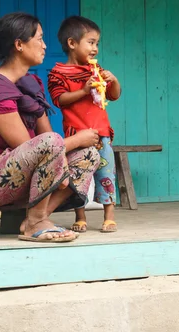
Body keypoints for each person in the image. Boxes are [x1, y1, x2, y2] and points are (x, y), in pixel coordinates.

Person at [0, 12, 101, 243]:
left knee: (89, 155)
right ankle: (35, 222)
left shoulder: (30, 86)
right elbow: (29, 146)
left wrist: (62, 159)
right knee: (57, 143)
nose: (45, 46)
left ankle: (38, 217)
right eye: (40, 39)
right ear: (19, 45)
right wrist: (77, 139)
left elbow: (46, 139)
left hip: (11, 172)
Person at [48, 16, 121, 233]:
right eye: (90, 42)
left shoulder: (96, 70)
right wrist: (83, 90)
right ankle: (80, 216)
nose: (95, 48)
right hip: (77, 134)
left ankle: (109, 216)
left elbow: (113, 96)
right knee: (80, 177)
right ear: (72, 43)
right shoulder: (58, 73)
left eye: (97, 43)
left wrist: (114, 81)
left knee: (106, 174)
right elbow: (59, 100)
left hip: (101, 134)